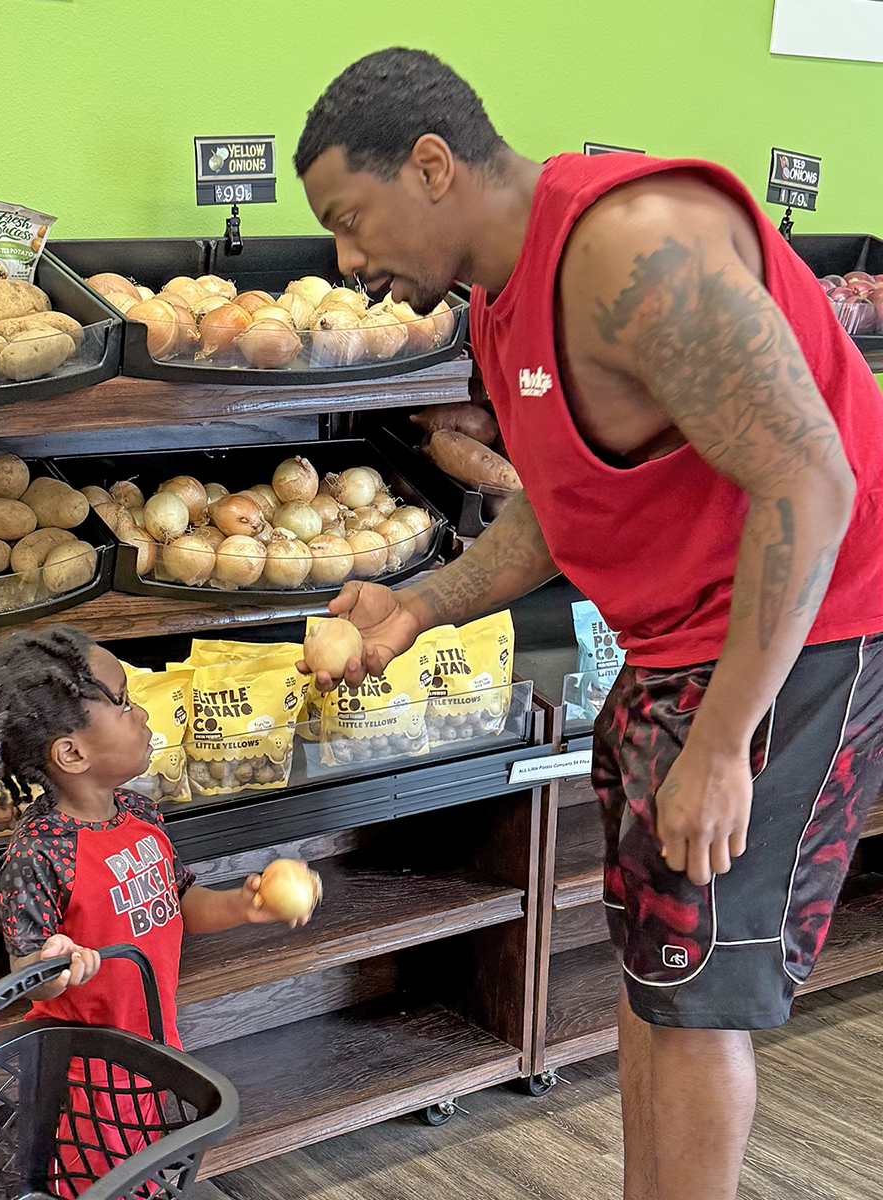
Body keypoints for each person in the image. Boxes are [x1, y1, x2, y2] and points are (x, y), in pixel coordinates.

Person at [293, 48, 882, 1200]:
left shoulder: (628, 245)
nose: (350, 261)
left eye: (351, 220)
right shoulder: (501, 306)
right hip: (678, 648)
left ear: (431, 166)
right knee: (655, 971)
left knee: (701, 990)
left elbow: (813, 484)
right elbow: (562, 511)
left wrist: (722, 744)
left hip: (796, 641)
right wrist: (417, 604)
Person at [0, 626, 304, 1193]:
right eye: (122, 702)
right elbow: (28, 978)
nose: (141, 713)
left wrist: (243, 905)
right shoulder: (40, 851)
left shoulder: (141, 814)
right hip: (86, 1064)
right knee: (98, 1181)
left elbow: (181, 902)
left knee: (139, 1166)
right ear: (71, 752)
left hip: (150, 1037)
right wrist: (54, 962)